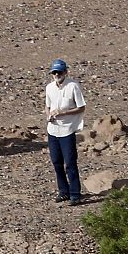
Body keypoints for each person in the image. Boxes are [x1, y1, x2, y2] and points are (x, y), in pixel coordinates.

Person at [45, 58, 86, 206]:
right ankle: (63, 191)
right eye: (54, 72)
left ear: (65, 72)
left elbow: (81, 107)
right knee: (57, 162)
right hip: (53, 129)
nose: (57, 75)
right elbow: (47, 106)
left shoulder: (73, 86)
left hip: (67, 130)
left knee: (70, 162)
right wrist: (48, 115)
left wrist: (64, 113)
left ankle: (75, 193)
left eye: (59, 72)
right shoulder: (49, 88)